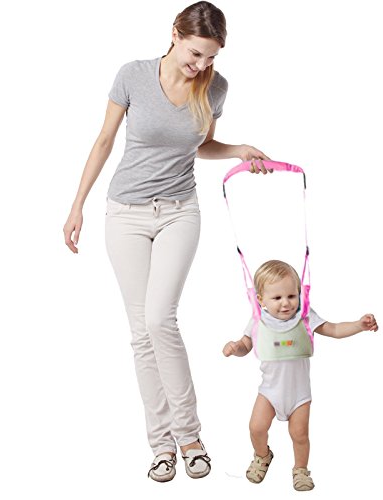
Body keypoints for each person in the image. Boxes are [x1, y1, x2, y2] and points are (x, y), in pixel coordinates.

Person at [63, 1, 271, 483]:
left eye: (211, 57)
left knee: (160, 319)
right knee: (141, 333)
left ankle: (190, 437)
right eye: (196, 53)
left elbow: (200, 145)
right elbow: (104, 140)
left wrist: (238, 150)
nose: (201, 65)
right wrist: (77, 205)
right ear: (175, 33)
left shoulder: (215, 87)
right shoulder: (132, 75)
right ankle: (161, 445)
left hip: (179, 210)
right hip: (126, 212)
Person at [223, 260, 378, 491]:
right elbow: (246, 345)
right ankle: (262, 455)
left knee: (299, 435)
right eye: (277, 298)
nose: (286, 303)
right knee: (256, 428)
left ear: (299, 294)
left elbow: (334, 329)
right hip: (269, 392)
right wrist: (235, 348)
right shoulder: (258, 321)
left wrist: (358, 325)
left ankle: (301, 470)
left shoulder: (304, 317)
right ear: (261, 300)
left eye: (291, 296)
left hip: (299, 395)